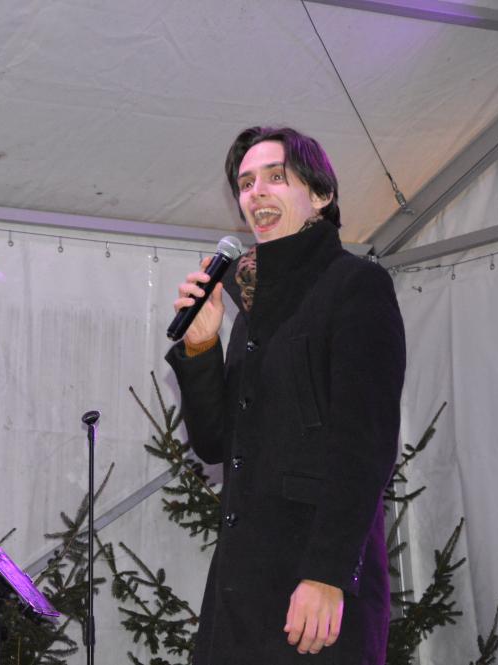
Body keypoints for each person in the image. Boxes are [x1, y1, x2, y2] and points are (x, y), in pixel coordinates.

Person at [165, 126, 406, 664]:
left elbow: (364, 447)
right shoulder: (252, 307)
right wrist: (201, 348)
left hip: (313, 588)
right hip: (240, 591)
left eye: (276, 177)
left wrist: (326, 574)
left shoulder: (355, 286)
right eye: (246, 183)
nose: (257, 193)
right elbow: (215, 444)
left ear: (320, 194)